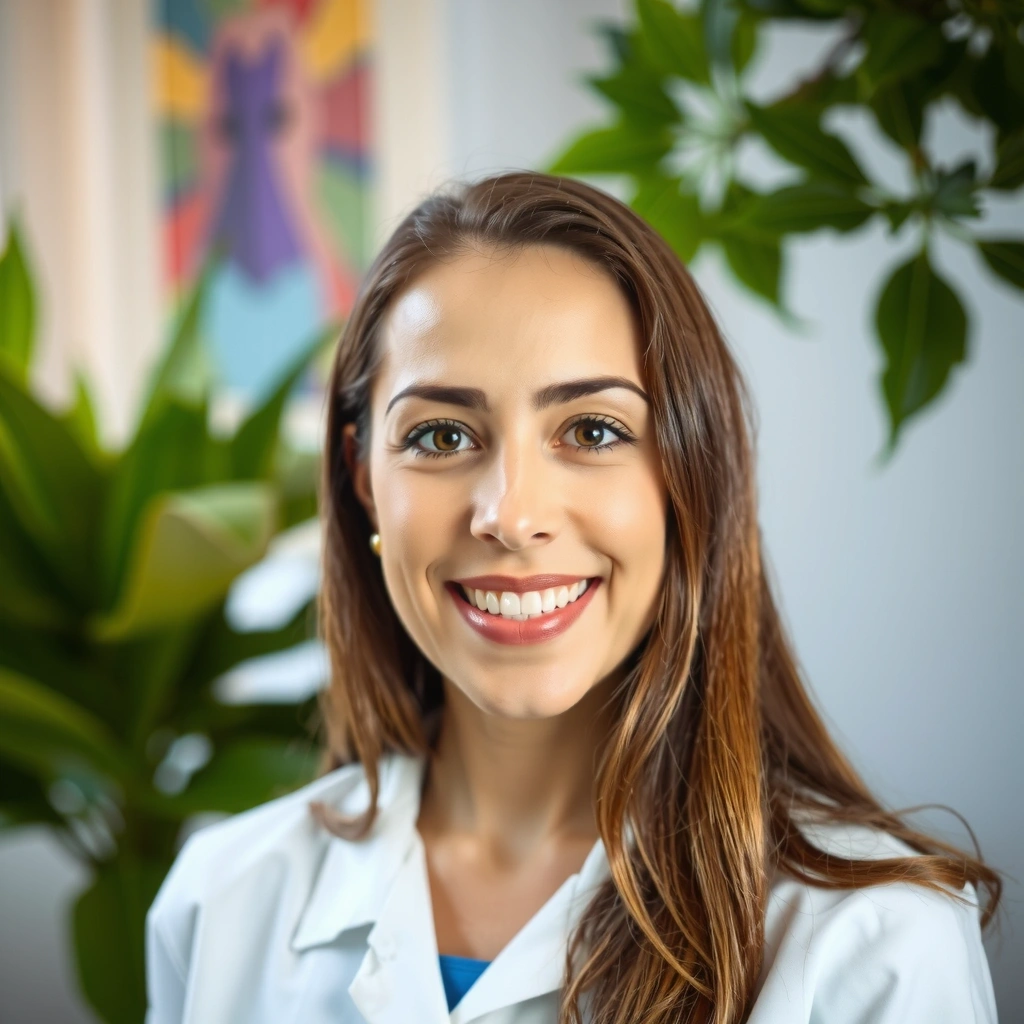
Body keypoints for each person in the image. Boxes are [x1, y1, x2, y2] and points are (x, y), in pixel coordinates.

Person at [145, 171, 1002, 1024]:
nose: (511, 516)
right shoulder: (218, 903)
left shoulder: (878, 945)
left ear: (688, 476)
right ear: (363, 480)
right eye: (441, 436)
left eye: (592, 431)